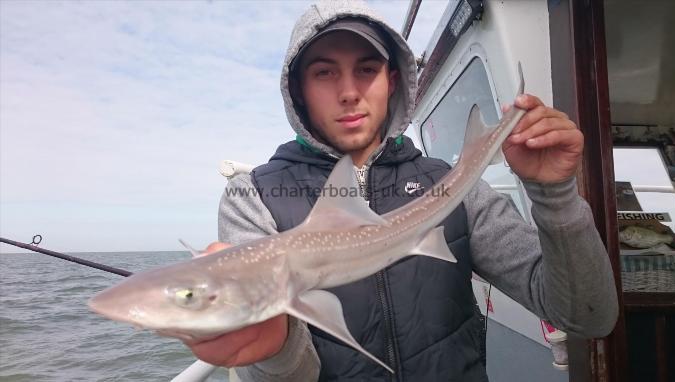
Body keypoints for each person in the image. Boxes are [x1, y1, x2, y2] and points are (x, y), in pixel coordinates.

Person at [185, 1, 619, 380]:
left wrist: (555, 195)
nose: (350, 92)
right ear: (297, 88)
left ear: (393, 79)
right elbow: (282, 378)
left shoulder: (450, 185)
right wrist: (275, 346)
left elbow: (588, 316)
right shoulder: (254, 197)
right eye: (324, 72)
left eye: (367, 70)